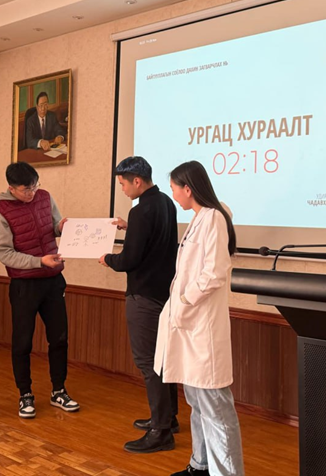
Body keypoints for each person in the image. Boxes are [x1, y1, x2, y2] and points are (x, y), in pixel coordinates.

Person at [155, 161, 245, 476]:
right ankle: (200, 465)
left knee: (215, 406)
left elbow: (214, 273)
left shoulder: (214, 218)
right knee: (197, 400)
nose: (173, 196)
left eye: (174, 189)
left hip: (201, 326)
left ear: (188, 188)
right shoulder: (199, 218)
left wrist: (184, 300)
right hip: (189, 325)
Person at [98, 156, 179, 454]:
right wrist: (128, 226)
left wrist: (108, 259)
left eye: (122, 184)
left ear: (137, 180)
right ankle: (168, 418)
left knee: (148, 363)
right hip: (164, 293)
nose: (122, 189)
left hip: (143, 295)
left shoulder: (141, 210)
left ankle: (161, 432)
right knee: (164, 360)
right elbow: (154, 242)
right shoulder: (165, 203)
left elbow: (130, 259)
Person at [0, 161, 79, 418]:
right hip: (24, 285)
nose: (32, 193)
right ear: (11, 188)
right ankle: (25, 394)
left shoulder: (44, 197)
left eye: (34, 186)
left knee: (59, 338)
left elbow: (53, 226)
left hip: (53, 280)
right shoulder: (1, 212)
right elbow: (4, 253)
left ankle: (59, 390)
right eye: (26, 189)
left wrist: (61, 228)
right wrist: (38, 261)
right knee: (22, 342)